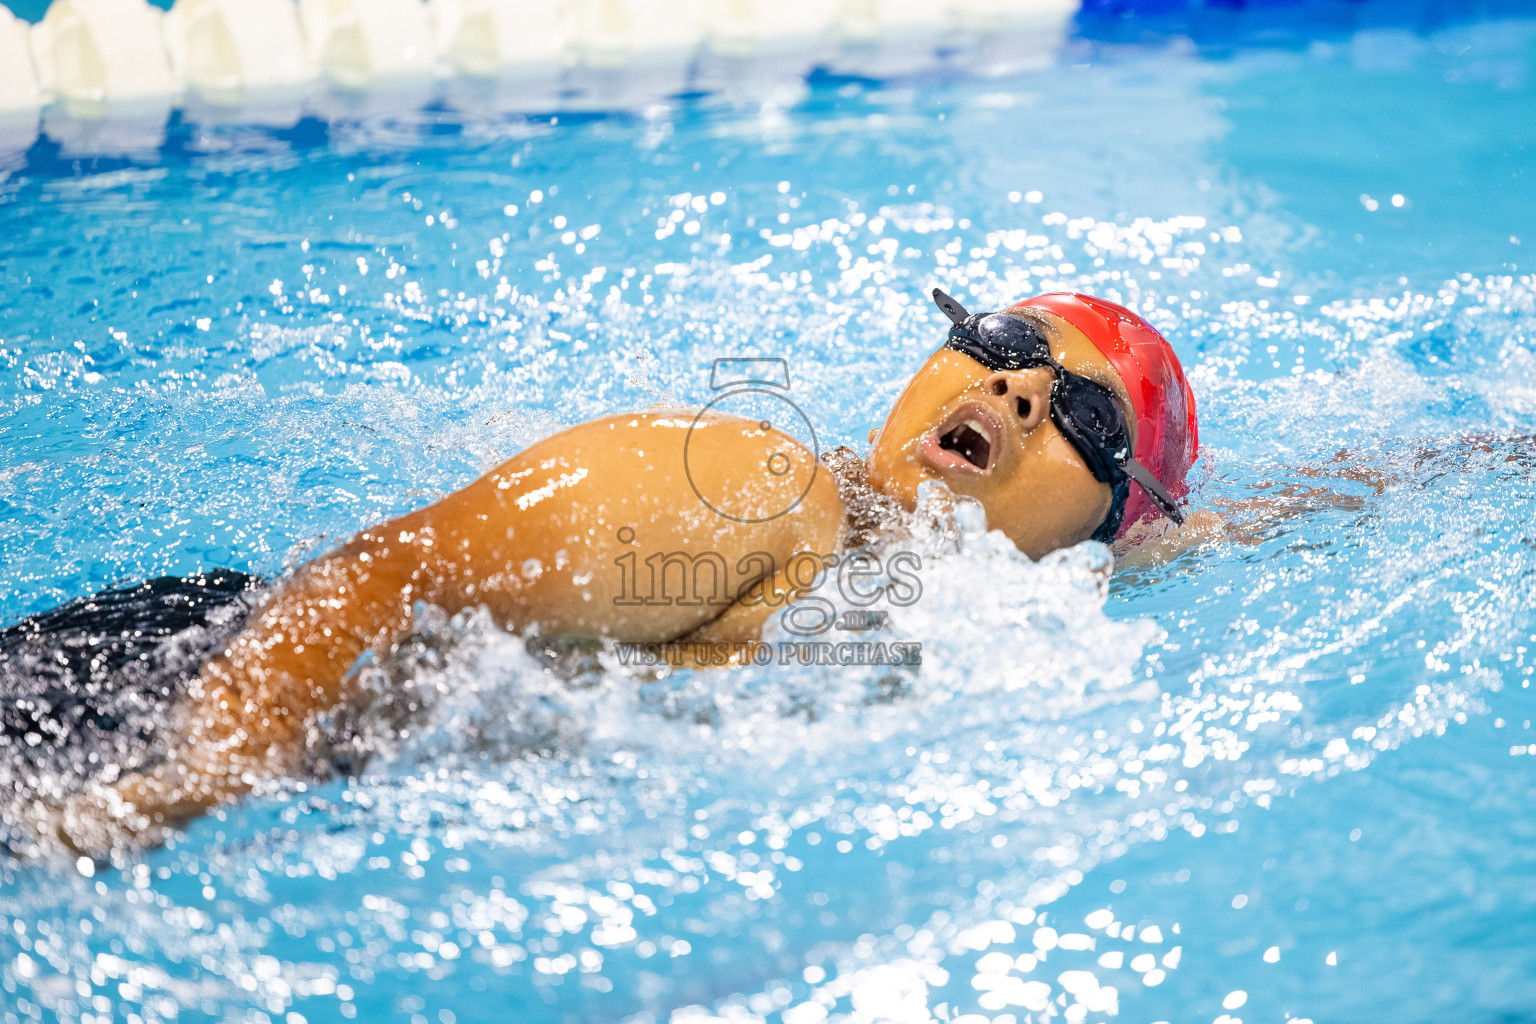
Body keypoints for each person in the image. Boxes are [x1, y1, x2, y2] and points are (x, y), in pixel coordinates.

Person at [3, 289, 1201, 855]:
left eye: (1084, 415)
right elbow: (385, 579)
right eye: (1001, 344)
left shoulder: (920, 590)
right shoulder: (765, 485)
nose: (1017, 388)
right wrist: (191, 777)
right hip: (156, 703)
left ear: (1113, 528)